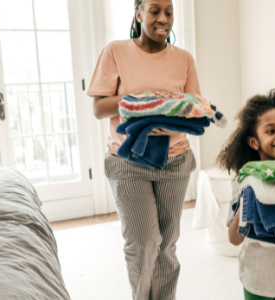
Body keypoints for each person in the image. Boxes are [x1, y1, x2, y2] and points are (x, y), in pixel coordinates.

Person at [86, 0, 200, 299]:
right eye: (154, 11)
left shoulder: (184, 59)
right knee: (144, 242)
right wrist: (140, 100)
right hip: (127, 159)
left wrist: (170, 116)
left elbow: (195, 108)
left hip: (175, 159)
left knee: (167, 245)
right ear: (138, 12)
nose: (163, 19)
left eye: (169, 12)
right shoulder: (115, 51)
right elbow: (99, 107)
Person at [217, 89, 275, 300]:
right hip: (256, 278)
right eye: (270, 131)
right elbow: (234, 239)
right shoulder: (244, 181)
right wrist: (248, 201)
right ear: (253, 142)